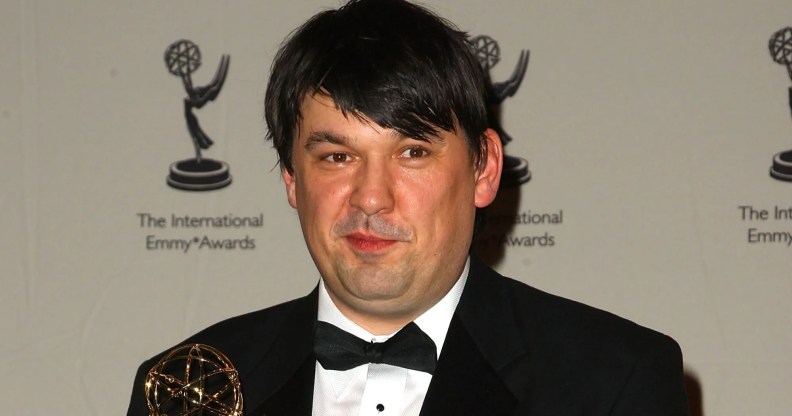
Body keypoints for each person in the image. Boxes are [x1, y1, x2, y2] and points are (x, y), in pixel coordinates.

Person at [127, 0, 690, 414]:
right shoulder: (188, 384)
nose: (372, 197)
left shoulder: (615, 381)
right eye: (337, 157)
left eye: (412, 152)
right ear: (292, 179)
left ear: (484, 169)